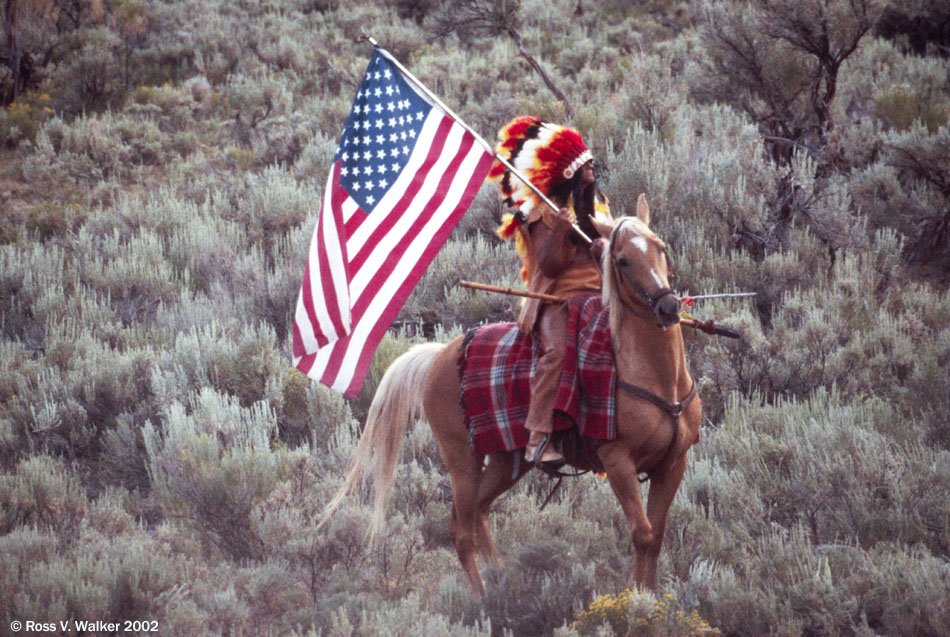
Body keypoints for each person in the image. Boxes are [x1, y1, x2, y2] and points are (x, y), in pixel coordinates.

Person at [489, 116, 610, 468]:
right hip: (559, 299)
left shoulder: (598, 208)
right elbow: (550, 266)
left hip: (600, 298)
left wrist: (605, 249)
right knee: (556, 353)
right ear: (569, 173)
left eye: (590, 162)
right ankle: (538, 437)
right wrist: (559, 230)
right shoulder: (543, 212)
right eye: (583, 164)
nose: (591, 167)